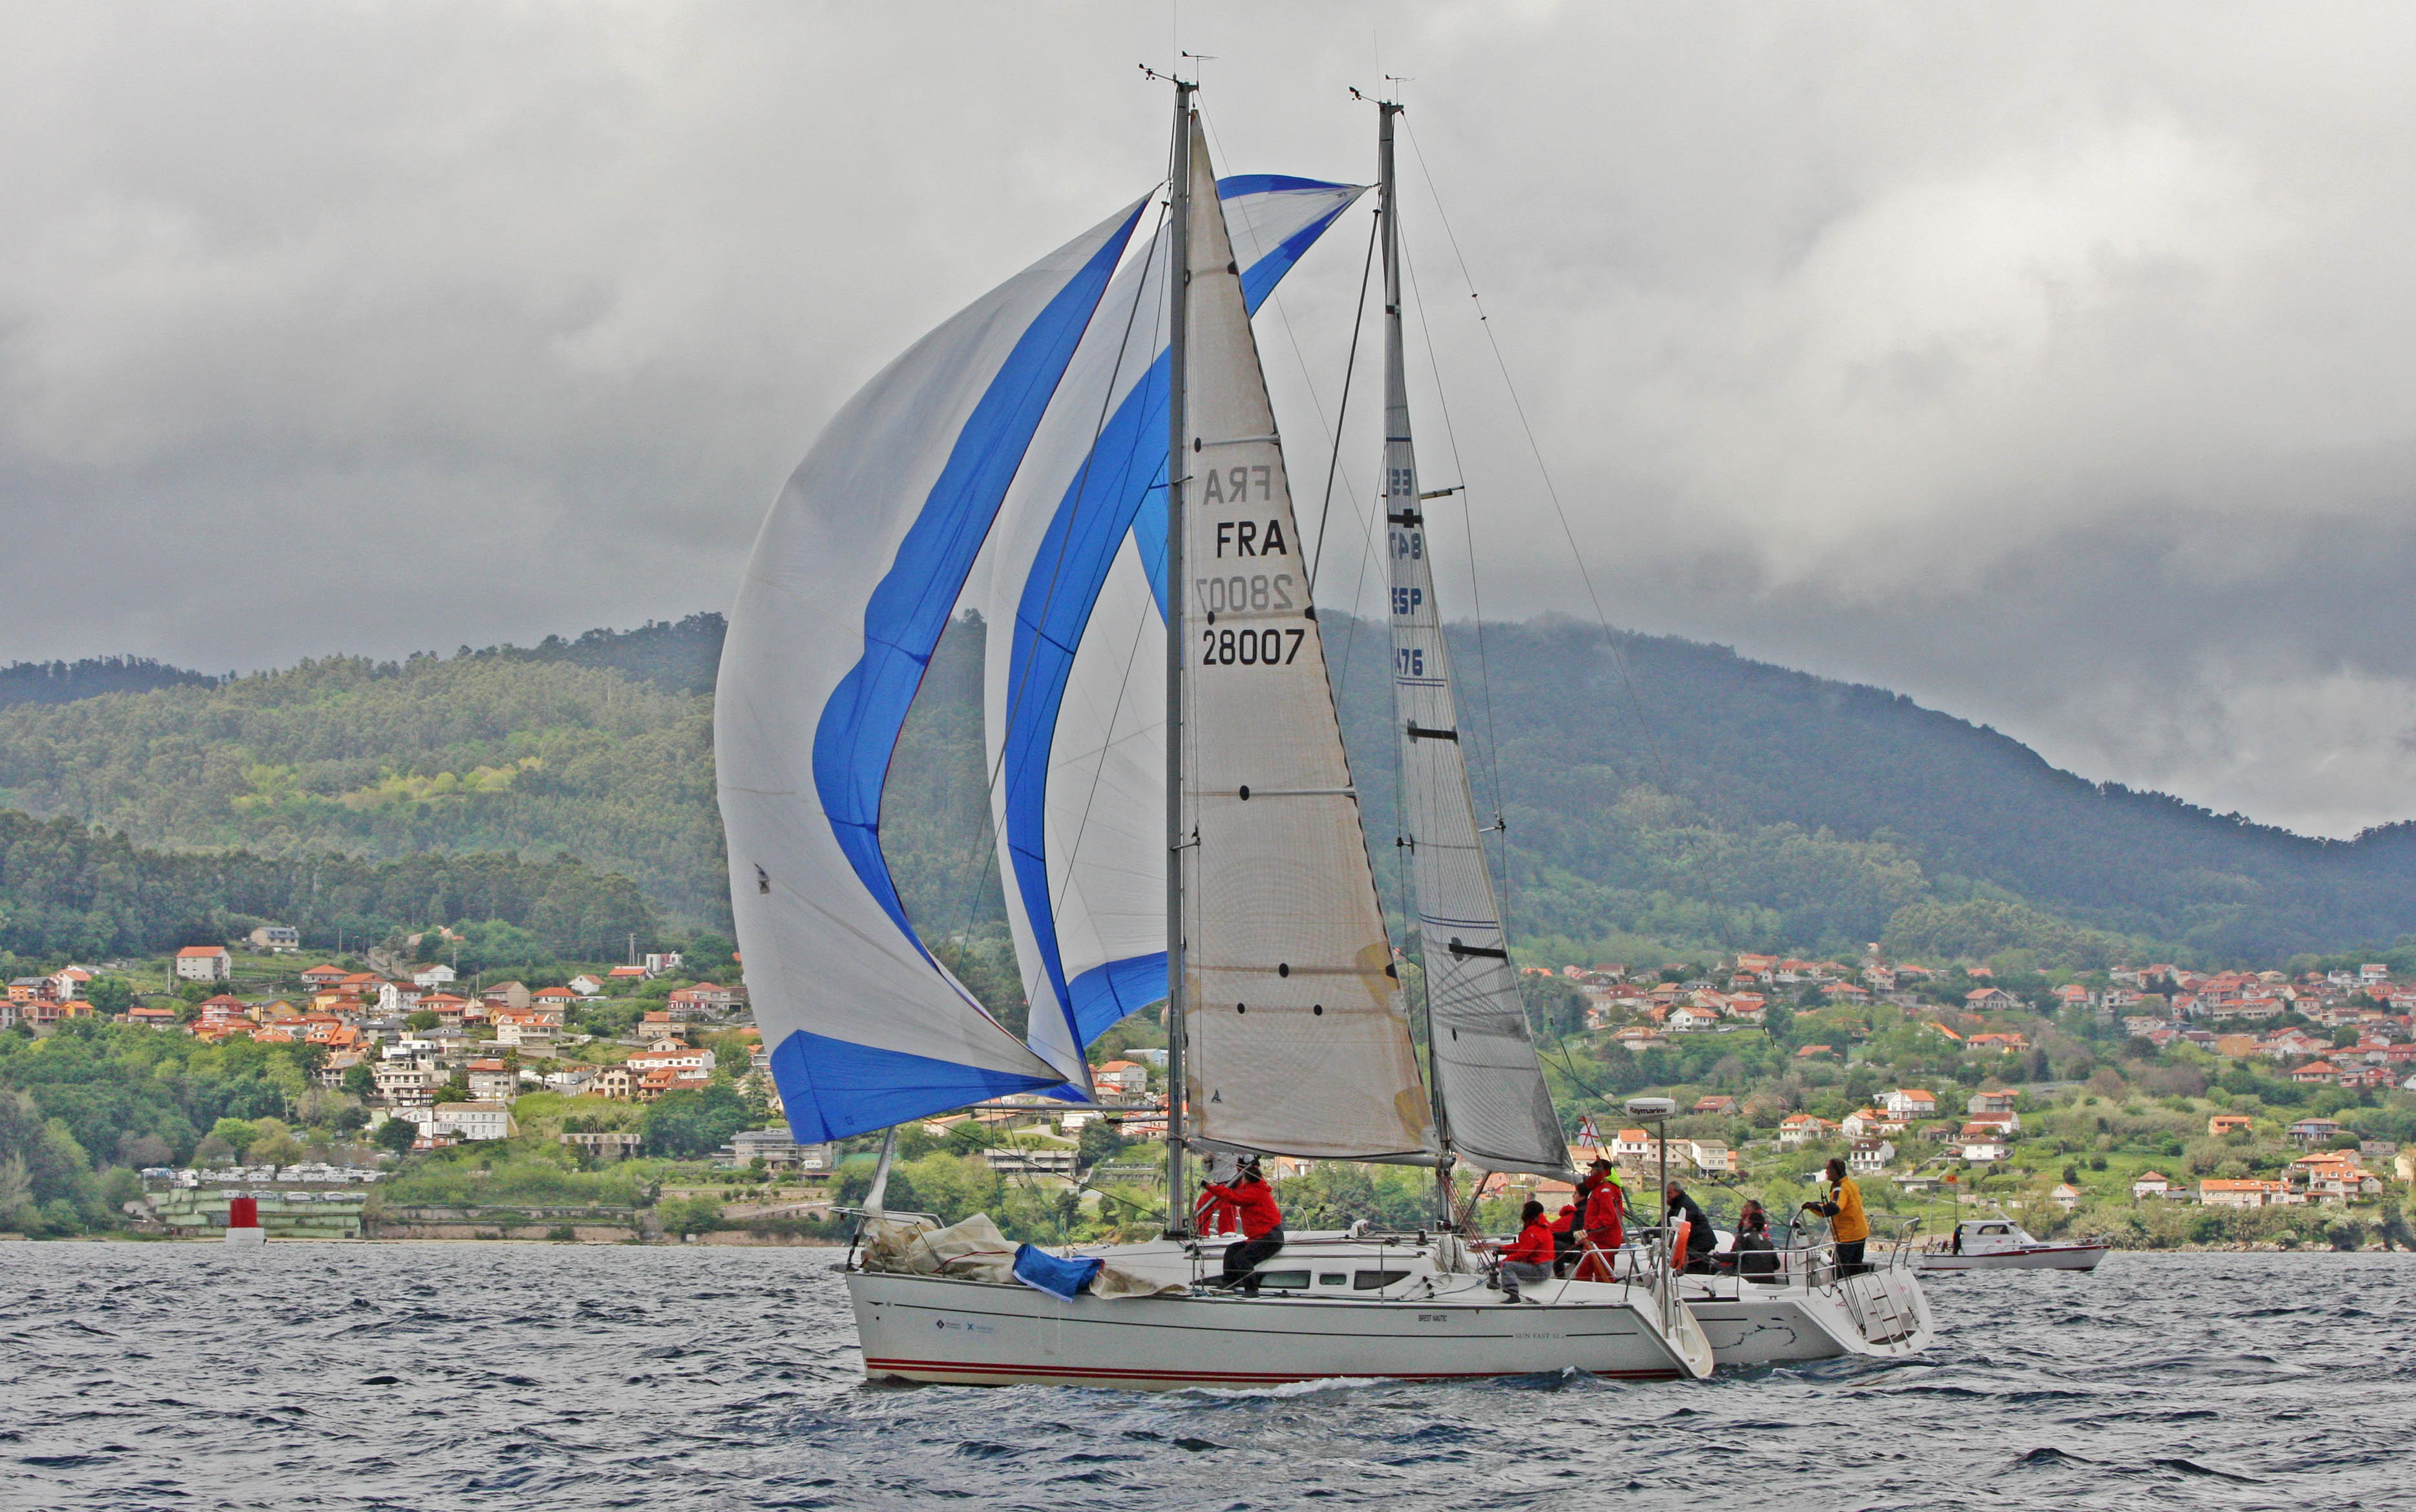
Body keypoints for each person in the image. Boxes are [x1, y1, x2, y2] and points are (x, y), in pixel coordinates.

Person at [1199, 1155, 1285, 1294]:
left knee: (1243, 1257)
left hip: (1270, 1238)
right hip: (1261, 1237)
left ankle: (1252, 1290)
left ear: (1246, 1179)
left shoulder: (1255, 1191)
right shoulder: (1254, 1187)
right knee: (1232, 1249)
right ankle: (1229, 1282)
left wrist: (1209, 1187)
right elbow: (1234, 1193)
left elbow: (1235, 1198)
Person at [1802, 1158, 1871, 1274]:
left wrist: (1813, 1206)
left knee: (1841, 1272)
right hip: (1860, 1233)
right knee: (1855, 1268)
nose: (1826, 1172)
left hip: (1848, 1237)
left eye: (1828, 1169)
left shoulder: (1840, 1187)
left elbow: (1834, 1208)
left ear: (1834, 1171)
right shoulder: (1851, 1184)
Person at [1487, 1199, 1555, 1303]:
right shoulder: (1540, 1228)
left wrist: (1502, 1262)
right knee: (1508, 1264)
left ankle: (1513, 1295)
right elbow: (1523, 1246)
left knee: (1507, 1266)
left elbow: (1522, 1254)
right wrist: (1502, 1250)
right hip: (1543, 1267)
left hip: (1539, 1269)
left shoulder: (1533, 1231)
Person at [1572, 1163, 1626, 1282]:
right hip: (1594, 1241)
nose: (1591, 1172)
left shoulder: (1605, 1190)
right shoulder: (1600, 1189)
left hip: (1604, 1241)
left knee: (1603, 1277)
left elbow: (1607, 1218)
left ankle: (1605, 1293)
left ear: (1599, 1171)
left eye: (1593, 1169)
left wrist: (1588, 1231)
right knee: (1583, 1274)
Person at [1665, 1181, 1717, 1273]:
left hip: (1702, 1242)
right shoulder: (1678, 1203)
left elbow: (1673, 1223)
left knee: (1695, 1269)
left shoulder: (1684, 1205)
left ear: (1678, 1192)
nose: (1667, 1196)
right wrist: (1652, 1231)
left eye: (1669, 1193)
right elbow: (1666, 1220)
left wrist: (1660, 1232)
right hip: (1697, 1241)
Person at [1195, 1153, 1241, 1238]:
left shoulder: (1239, 1151)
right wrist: (1207, 1161)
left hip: (1234, 1184)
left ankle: (1228, 1232)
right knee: (1204, 1201)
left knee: (1228, 1204)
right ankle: (1201, 1233)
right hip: (1218, 1184)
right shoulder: (1214, 1151)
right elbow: (1207, 1170)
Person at [1732, 1199, 1779, 1280]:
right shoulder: (1768, 1242)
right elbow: (1776, 1265)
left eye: (1745, 1207)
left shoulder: (1744, 1238)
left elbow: (1735, 1256)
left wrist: (1719, 1257)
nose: (1742, 1209)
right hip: (1768, 1279)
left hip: (1748, 1277)